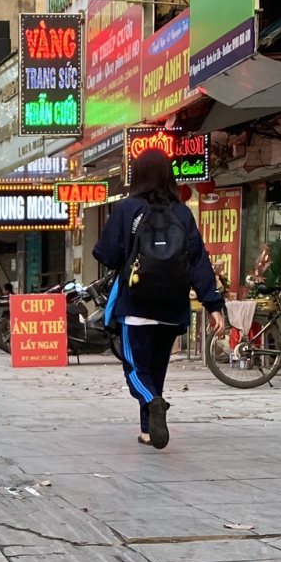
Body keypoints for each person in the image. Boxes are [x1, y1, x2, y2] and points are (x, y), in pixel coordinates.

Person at [94, 149, 227, 450]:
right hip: (172, 308)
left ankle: (154, 402)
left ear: (137, 175)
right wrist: (214, 306)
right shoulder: (182, 212)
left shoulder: (128, 209)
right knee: (156, 370)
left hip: (136, 307)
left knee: (136, 370)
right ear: (169, 175)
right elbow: (199, 262)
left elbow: (105, 254)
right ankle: (148, 431)